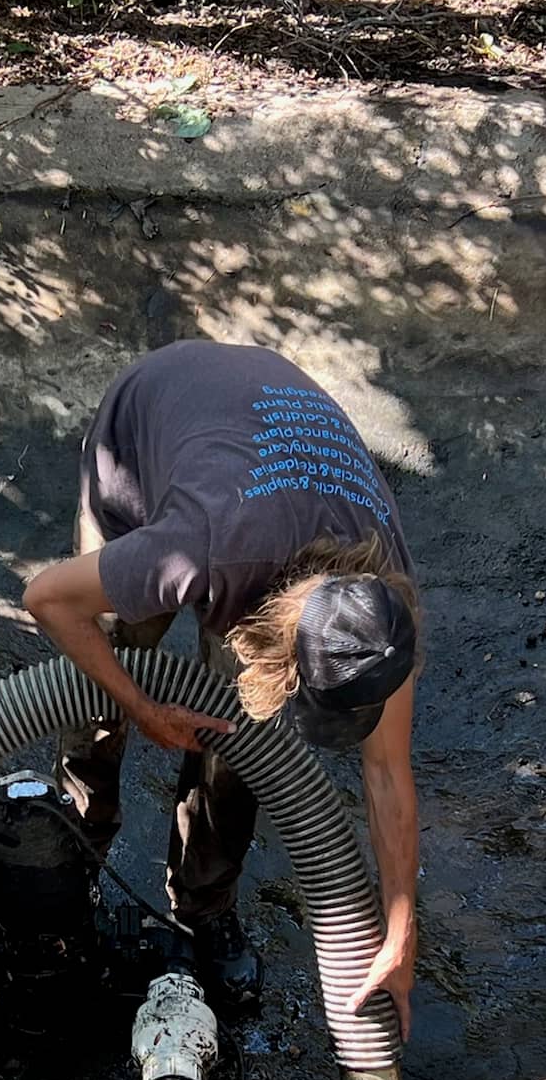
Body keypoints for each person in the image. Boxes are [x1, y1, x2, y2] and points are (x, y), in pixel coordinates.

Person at [22, 338, 420, 1033]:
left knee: (243, 739)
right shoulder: (196, 551)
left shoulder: (380, 614)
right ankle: (77, 858)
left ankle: (202, 908)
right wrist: (140, 704)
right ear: (275, 642)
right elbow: (48, 599)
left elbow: (387, 775)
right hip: (148, 437)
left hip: (254, 447)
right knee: (106, 673)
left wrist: (401, 929)